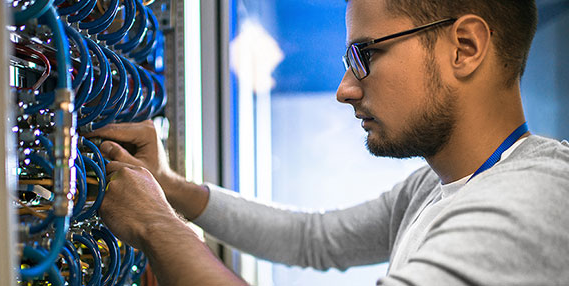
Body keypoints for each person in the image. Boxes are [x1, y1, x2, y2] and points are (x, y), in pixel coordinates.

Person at [88, 0, 569, 285]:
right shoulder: (437, 184)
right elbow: (313, 238)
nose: (345, 88)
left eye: (366, 54)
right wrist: (171, 189)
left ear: (464, 47)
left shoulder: (529, 203)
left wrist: (155, 225)